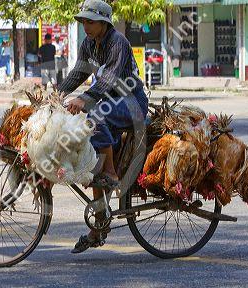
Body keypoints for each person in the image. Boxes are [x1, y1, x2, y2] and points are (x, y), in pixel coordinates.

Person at [58, 0, 148, 253]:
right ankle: (99, 224)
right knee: (90, 159)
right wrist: (58, 94)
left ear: (104, 23)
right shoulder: (89, 43)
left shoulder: (117, 41)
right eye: (83, 21)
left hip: (132, 102)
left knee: (94, 112)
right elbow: (79, 72)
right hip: (110, 100)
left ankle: (111, 171)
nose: (85, 26)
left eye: (90, 21)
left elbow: (108, 80)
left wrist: (83, 99)